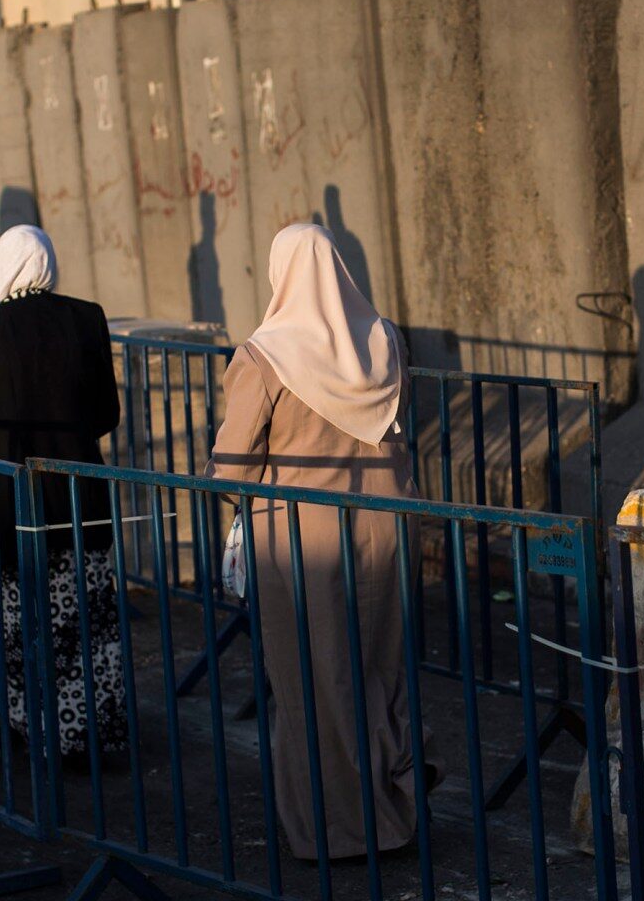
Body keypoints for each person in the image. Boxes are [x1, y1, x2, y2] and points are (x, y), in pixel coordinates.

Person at [207, 223, 432, 860]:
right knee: (380, 672)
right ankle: (393, 815)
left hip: (298, 540)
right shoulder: (384, 338)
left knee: (311, 682)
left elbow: (233, 468)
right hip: (387, 528)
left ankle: (329, 833)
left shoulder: (263, 356)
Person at [0, 225, 126, 763]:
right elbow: (106, 413)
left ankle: (26, 728)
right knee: (82, 624)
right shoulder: (86, 317)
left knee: (16, 622)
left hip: (6, 507)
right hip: (79, 500)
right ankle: (88, 732)